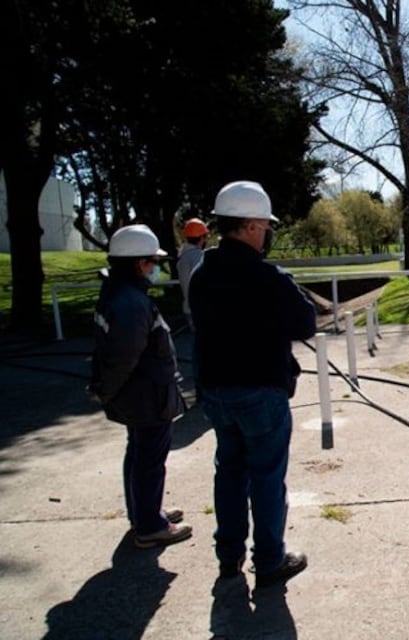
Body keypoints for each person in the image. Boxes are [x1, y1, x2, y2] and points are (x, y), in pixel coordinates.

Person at [189, 180, 316, 588]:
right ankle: (269, 560)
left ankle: (229, 558)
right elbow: (305, 322)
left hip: (215, 391)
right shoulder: (267, 277)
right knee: (265, 476)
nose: (267, 235)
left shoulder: (201, 273)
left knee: (228, 472)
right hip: (260, 390)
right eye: (263, 227)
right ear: (246, 227)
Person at [90, 224, 193, 549]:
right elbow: (124, 356)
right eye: (152, 261)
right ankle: (150, 525)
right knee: (148, 458)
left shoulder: (118, 294)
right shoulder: (132, 303)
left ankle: (144, 512)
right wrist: (105, 389)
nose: (155, 268)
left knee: (138, 453)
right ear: (138, 263)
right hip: (146, 395)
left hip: (138, 394)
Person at [176, 217, 208, 330]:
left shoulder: (182, 257)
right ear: (202, 238)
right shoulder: (200, 256)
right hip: (201, 311)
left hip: (188, 308)